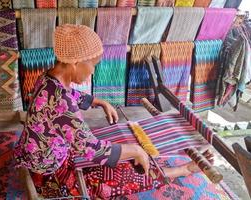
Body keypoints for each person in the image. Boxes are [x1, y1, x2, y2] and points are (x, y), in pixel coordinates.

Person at [14, 24, 214, 199]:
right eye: (92, 64)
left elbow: (69, 95)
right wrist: (136, 150)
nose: (93, 71)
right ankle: (182, 169)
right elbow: (95, 151)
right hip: (50, 174)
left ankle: (165, 166)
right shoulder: (62, 103)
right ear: (75, 62)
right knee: (123, 173)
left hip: (37, 154)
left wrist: (99, 102)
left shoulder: (47, 78)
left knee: (123, 156)